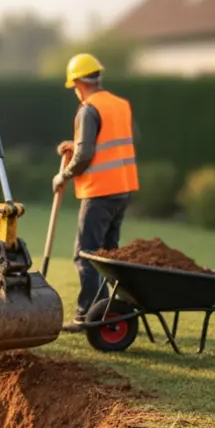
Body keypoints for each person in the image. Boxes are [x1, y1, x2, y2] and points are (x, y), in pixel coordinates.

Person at [52, 53, 140, 326]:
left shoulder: (88, 110)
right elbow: (117, 140)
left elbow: (85, 156)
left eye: (74, 86)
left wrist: (63, 176)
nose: (75, 91)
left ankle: (88, 315)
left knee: (87, 255)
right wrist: (78, 142)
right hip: (122, 190)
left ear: (79, 83)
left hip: (99, 193)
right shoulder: (120, 105)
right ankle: (113, 310)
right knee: (108, 256)